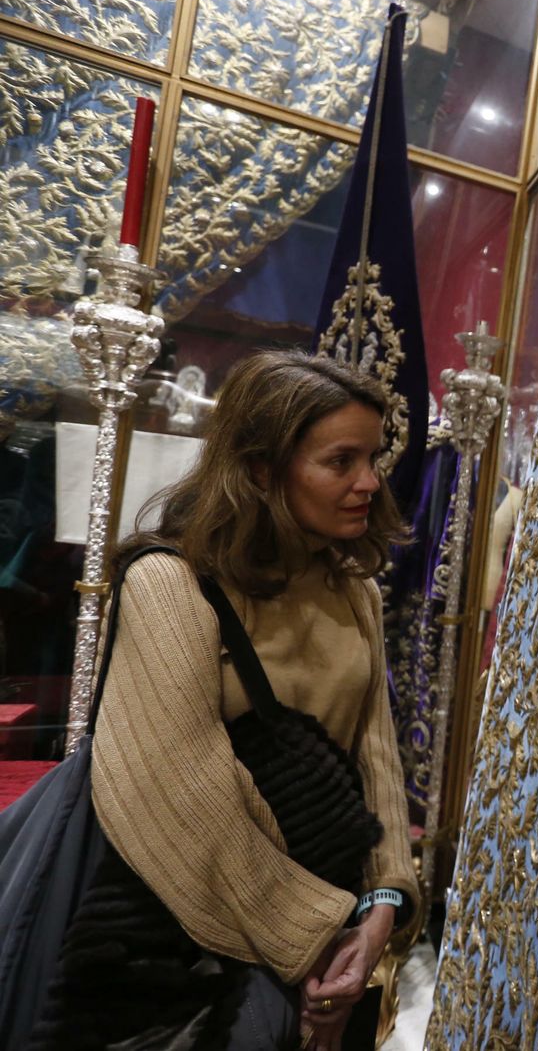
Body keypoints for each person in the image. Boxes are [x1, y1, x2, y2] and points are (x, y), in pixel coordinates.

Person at [51, 351, 419, 1050]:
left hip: (334, 936)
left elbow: (377, 761)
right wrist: (319, 939)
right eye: (341, 461)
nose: (369, 482)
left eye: (373, 458)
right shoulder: (170, 584)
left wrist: (384, 904)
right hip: (186, 952)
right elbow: (183, 793)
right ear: (260, 469)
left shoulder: (356, 593)